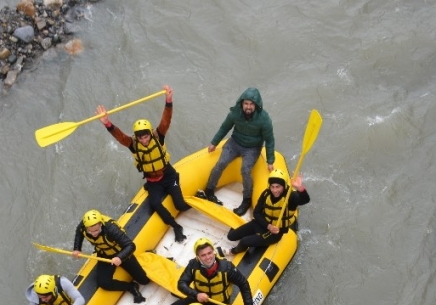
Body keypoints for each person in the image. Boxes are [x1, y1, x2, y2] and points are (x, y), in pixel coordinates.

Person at [96, 85, 190, 242]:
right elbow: (120, 137)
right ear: (137, 137)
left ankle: (183, 192)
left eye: (146, 137)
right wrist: (107, 124)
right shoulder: (133, 144)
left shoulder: (158, 136)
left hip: (168, 175)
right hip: (153, 181)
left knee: (180, 205)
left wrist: (168, 101)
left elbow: (166, 120)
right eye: (141, 138)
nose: (144, 140)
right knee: (155, 204)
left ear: (150, 134)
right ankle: (176, 227)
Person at [199, 87, 275, 216]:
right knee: (220, 164)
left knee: (245, 170)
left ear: (256, 105)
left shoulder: (264, 118)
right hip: (235, 142)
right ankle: (209, 190)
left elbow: (269, 140)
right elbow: (224, 127)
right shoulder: (235, 113)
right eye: (246, 103)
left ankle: (246, 199)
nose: (248, 107)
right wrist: (214, 143)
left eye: (251, 104)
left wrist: (270, 160)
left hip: (253, 147)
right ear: (242, 103)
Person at [165, 238, 254, 305]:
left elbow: (243, 284)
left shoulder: (227, 268)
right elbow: (181, 284)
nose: (208, 257)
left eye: (209, 253)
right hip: (199, 298)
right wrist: (196, 295)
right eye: (203, 255)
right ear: (198, 257)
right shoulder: (193, 265)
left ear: (214, 252)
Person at [73, 209, 150, 303]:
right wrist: (77, 248)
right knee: (104, 283)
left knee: (144, 280)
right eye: (90, 231)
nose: (94, 234)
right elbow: (79, 233)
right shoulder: (83, 226)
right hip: (104, 255)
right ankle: (131, 287)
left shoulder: (111, 229)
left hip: (121, 253)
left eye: (96, 230)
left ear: (101, 224)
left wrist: (120, 257)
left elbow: (130, 245)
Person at [227, 169, 309, 255]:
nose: (275, 190)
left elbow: (305, 200)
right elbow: (256, 213)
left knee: (244, 241)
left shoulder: (291, 196)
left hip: (275, 233)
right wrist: (268, 226)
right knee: (231, 236)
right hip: (263, 224)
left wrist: (300, 188)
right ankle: (253, 235)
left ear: (284, 186)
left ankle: (233, 251)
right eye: (272, 187)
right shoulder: (266, 194)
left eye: (278, 187)